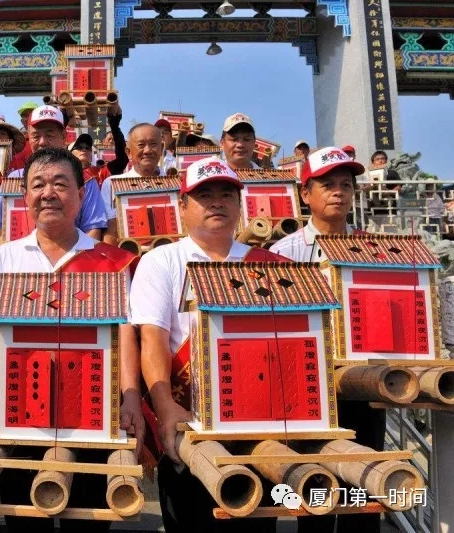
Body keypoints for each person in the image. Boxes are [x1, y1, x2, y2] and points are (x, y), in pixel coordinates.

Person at [0, 148, 145, 533]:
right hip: (20, 420)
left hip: (93, 417)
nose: (48, 193)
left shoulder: (110, 261)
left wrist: (131, 396)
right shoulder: (2, 261)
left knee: (88, 519)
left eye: (60, 184)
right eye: (38, 185)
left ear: (82, 197)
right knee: (24, 522)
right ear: (24, 197)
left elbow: (126, 334)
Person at [130, 156, 289, 533]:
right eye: (204, 195)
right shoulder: (161, 261)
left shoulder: (271, 265)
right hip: (189, 423)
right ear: (182, 206)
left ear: (240, 204)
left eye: (225, 194)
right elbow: (151, 340)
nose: (216, 202)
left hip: (256, 427)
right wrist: (166, 406)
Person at [270, 147, 386, 533]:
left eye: (345, 185)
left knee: (366, 483)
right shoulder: (280, 255)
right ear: (306, 194)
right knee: (317, 489)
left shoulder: (373, 250)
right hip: (309, 388)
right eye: (327, 185)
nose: (338, 192)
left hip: (363, 383)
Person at [0, 105, 107, 240]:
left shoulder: (86, 181)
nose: (42, 142)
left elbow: (93, 229)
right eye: (36, 136)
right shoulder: (14, 179)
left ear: (63, 136)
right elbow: (1, 228)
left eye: (49, 135)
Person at [100, 123, 163, 244]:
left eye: (153, 144)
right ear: (129, 152)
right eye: (141, 145)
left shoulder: (176, 182)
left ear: (162, 149)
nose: (148, 150)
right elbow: (110, 232)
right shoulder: (112, 184)